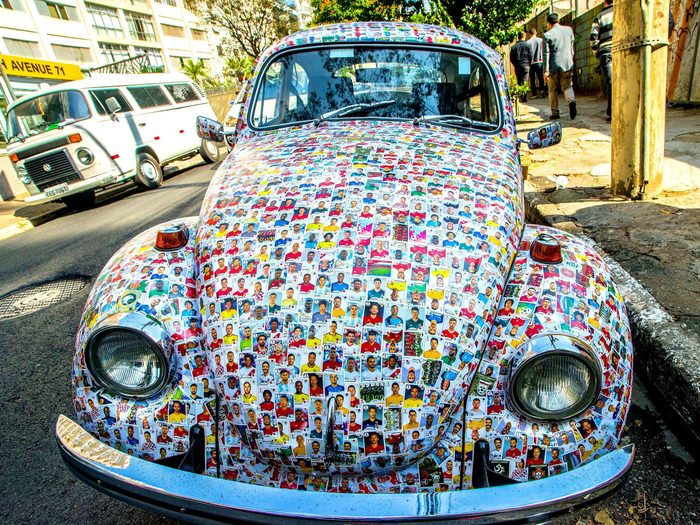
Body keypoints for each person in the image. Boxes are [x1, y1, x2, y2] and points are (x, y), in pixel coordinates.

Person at [543, 12, 577, 120]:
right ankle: (571, 101)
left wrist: (546, 70)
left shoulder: (547, 35)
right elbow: (572, 49)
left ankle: (555, 112)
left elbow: (546, 54)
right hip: (567, 63)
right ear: (558, 21)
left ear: (549, 24)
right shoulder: (569, 30)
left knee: (552, 90)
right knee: (567, 86)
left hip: (554, 65)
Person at [590, 0, 614, 121]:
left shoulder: (599, 17)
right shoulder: (620, 13)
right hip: (621, 50)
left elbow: (593, 40)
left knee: (611, 82)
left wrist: (598, 54)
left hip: (606, 53)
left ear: (604, 2)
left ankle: (612, 112)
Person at [509, 31, 532, 102]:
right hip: (526, 65)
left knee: (519, 81)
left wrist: (515, 64)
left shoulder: (513, 47)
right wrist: (529, 63)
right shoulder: (528, 45)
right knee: (525, 81)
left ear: (518, 37)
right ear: (524, 36)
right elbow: (530, 55)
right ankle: (523, 97)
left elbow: (511, 59)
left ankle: (520, 95)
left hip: (517, 66)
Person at [528, 27, 545, 98]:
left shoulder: (528, 42)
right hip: (539, 61)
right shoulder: (541, 40)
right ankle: (542, 91)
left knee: (532, 79)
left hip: (531, 62)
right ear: (536, 33)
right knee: (540, 77)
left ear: (529, 34)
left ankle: (534, 94)